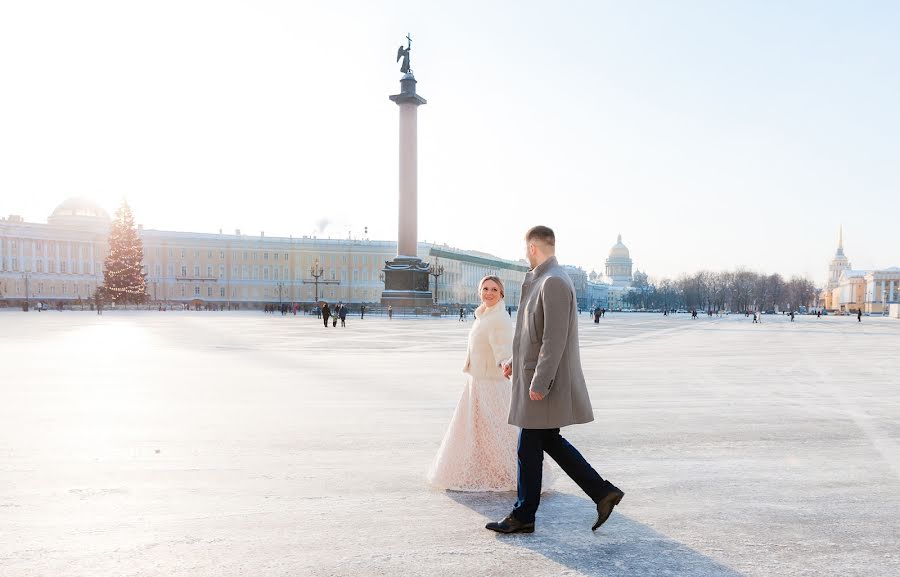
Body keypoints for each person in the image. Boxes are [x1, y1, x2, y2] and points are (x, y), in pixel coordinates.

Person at [486, 226, 623, 535]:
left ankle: (524, 515)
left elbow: (554, 339)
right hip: (534, 376)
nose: (524, 255)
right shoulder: (543, 280)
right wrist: (512, 361)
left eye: (526, 249)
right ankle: (602, 493)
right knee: (547, 442)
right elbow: (531, 335)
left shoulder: (553, 282)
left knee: (528, 447)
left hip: (543, 383)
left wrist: (540, 382)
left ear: (533, 248)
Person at [428, 276, 555, 492]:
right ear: (479, 292)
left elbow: (505, 348)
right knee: (478, 430)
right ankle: (485, 470)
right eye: (485, 289)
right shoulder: (484, 315)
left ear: (501, 293)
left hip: (491, 383)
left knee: (498, 430)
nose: (489, 293)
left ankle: (517, 474)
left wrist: (505, 363)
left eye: (494, 289)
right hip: (477, 381)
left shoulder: (499, 318)